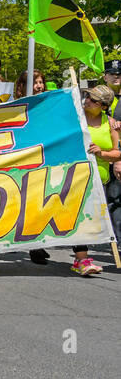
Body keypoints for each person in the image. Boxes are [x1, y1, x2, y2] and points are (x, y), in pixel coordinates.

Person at [71, 84, 119, 276]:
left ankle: (80, 259)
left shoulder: (110, 123)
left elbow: (117, 153)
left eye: (92, 99)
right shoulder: (75, 118)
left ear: (103, 105)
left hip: (101, 182)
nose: (87, 100)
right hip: (76, 178)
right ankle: (82, 259)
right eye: (87, 97)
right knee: (81, 218)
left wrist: (102, 152)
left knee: (93, 221)